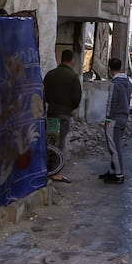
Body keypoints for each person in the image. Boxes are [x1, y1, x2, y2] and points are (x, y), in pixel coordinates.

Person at [42, 48, 82, 182]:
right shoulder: (73, 77)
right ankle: (55, 172)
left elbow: (44, 94)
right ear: (72, 60)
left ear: (61, 59)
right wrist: (69, 107)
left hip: (52, 113)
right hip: (64, 114)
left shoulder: (50, 74)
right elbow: (77, 98)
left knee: (51, 140)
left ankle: (47, 168)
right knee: (60, 143)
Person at [100, 57, 131, 184]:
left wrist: (107, 117)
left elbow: (111, 102)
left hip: (114, 118)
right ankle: (113, 171)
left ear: (109, 68)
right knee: (116, 144)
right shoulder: (128, 83)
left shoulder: (115, 84)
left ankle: (118, 174)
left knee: (113, 146)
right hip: (123, 116)